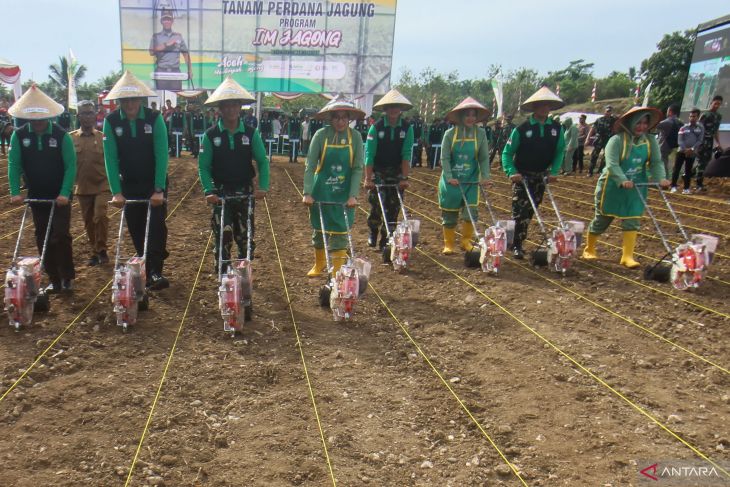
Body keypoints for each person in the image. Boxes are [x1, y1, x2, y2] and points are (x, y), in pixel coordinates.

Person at [102, 71, 170, 290]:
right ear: (119, 101)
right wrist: (116, 191)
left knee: (157, 227)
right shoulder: (111, 122)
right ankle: (144, 266)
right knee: (137, 228)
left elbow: (161, 154)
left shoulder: (154, 118)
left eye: (133, 99)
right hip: (129, 183)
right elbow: (110, 158)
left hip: (153, 182)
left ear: (140, 99)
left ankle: (155, 272)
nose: (129, 104)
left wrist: (158, 188)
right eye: (125, 100)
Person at [8, 84, 77, 292]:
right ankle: (53, 279)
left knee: (61, 235)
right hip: (37, 195)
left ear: (48, 116)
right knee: (42, 236)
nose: (38, 122)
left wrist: (65, 192)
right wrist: (15, 192)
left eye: (41, 118)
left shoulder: (60, 135)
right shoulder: (19, 136)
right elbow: (14, 164)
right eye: (34, 118)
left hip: (59, 195)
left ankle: (66, 277)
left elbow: (70, 165)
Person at [581, 107, 670, 267]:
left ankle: (627, 256)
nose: (641, 126)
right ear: (630, 123)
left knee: (632, 219)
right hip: (612, 187)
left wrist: (661, 179)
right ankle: (589, 249)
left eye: (645, 123)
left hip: (636, 186)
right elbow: (612, 164)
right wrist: (622, 179)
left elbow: (656, 162)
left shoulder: (650, 141)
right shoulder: (616, 141)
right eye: (638, 123)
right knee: (602, 220)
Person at [198, 77, 269, 271]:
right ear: (220, 108)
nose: (230, 109)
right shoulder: (211, 135)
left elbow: (262, 161)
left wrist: (262, 186)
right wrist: (208, 190)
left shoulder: (250, 133)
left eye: (234, 105)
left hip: (244, 191)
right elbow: (203, 166)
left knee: (245, 238)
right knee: (224, 233)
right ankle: (223, 274)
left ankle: (244, 276)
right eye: (226, 105)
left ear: (240, 107)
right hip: (220, 192)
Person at [302, 94, 364, 277]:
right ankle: (319, 263)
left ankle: (337, 270)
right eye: (336, 117)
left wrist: (353, 195)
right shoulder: (321, 136)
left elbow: (357, 168)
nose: (340, 121)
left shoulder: (356, 137)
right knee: (319, 230)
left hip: (344, 193)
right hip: (321, 191)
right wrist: (307, 192)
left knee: (340, 231)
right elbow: (310, 165)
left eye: (344, 117)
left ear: (349, 118)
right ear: (330, 118)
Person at [501, 86, 565, 259]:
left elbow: (560, 152)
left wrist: (554, 171)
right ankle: (517, 244)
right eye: (541, 105)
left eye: (547, 105)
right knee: (519, 212)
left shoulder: (557, 129)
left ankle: (517, 239)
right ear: (534, 107)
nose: (544, 108)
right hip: (522, 175)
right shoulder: (522, 129)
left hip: (541, 176)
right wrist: (511, 172)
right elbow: (507, 153)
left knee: (531, 211)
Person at [438, 97, 490, 254]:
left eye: (473, 115)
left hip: (471, 180)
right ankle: (449, 243)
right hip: (452, 181)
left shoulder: (480, 134)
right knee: (449, 213)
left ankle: (466, 241)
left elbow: (483, 157)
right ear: (460, 117)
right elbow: (445, 157)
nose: (470, 118)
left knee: (470, 212)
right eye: (467, 115)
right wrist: (449, 176)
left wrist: (485, 176)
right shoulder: (450, 134)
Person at [364, 89, 414, 249]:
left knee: (394, 205)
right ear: (385, 109)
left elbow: (407, 154)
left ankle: (387, 237)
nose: (393, 110)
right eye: (390, 107)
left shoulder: (407, 128)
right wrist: (368, 178)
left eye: (397, 107)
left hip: (396, 170)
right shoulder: (376, 128)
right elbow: (369, 154)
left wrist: (404, 178)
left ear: (401, 109)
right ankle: (373, 231)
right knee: (378, 203)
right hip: (379, 170)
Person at [70, 100, 110, 266]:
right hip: (82, 186)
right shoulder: (71, 138)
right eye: (84, 113)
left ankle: (101, 249)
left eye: (91, 113)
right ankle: (95, 251)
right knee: (88, 221)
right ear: (78, 116)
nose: (88, 116)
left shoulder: (102, 138)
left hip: (102, 185)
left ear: (95, 115)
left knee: (100, 216)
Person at [148, 8, 192, 91]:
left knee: (175, 98)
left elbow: (186, 54)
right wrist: (166, 45)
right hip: (161, 71)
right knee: (161, 99)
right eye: (165, 19)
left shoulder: (178, 36)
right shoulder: (156, 36)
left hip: (175, 72)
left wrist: (190, 70)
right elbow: (151, 51)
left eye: (169, 19)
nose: (167, 22)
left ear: (172, 21)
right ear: (161, 21)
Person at [670, 108, 704, 194]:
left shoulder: (700, 128)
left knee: (688, 171)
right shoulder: (683, 128)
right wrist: (685, 149)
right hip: (681, 151)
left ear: (698, 117)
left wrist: (692, 149)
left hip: (692, 153)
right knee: (676, 169)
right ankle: (673, 186)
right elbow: (680, 141)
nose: (692, 118)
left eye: (694, 116)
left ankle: (686, 188)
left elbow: (700, 140)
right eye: (690, 116)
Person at [696, 95, 724, 192]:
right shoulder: (705, 115)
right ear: (711, 103)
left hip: (710, 141)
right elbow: (698, 129)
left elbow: (716, 131)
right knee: (701, 162)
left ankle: (689, 175)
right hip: (702, 141)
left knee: (706, 161)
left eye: (719, 104)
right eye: (715, 103)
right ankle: (699, 184)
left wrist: (718, 143)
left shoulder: (718, 116)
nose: (716, 106)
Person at [585, 105, 617, 176]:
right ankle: (590, 171)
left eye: (609, 111)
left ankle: (600, 171)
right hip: (599, 139)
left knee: (606, 156)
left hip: (608, 140)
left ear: (611, 112)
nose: (608, 112)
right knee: (594, 155)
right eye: (607, 111)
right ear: (604, 111)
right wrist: (587, 139)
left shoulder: (614, 120)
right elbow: (592, 129)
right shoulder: (599, 120)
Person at [656, 104, 682, 176]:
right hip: (672, 145)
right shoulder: (680, 122)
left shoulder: (668, 121)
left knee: (662, 163)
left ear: (670, 111)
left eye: (668, 111)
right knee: (664, 161)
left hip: (664, 145)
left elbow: (655, 125)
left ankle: (664, 179)